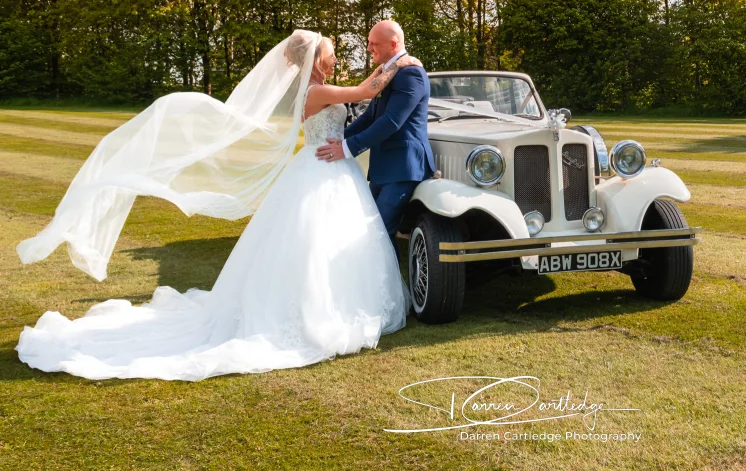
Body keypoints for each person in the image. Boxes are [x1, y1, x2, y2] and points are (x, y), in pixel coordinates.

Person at [14, 30, 421, 381]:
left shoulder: (314, 87)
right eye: (332, 51)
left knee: (322, 241)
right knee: (312, 243)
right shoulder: (316, 91)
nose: (338, 57)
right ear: (317, 58)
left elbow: (366, 88)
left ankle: (333, 304)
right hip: (322, 168)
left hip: (328, 167)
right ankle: (314, 313)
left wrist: (393, 63)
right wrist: (401, 61)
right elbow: (368, 92)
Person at [315, 20, 436, 258]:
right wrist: (337, 138)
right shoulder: (389, 72)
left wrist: (347, 148)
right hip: (384, 169)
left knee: (378, 231)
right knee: (370, 229)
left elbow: (391, 121)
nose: (369, 48)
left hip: (404, 168)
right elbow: (370, 116)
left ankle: (389, 292)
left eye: (374, 43)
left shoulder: (411, 74)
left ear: (393, 44)